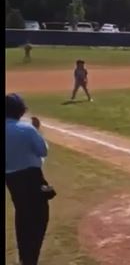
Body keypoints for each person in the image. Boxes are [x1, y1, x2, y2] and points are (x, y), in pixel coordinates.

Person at [6, 93, 54, 265]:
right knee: (38, 218)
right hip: (32, 179)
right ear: (20, 110)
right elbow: (43, 151)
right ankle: (29, 259)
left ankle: (25, 257)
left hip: (11, 180)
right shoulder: (26, 129)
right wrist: (37, 130)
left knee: (22, 215)